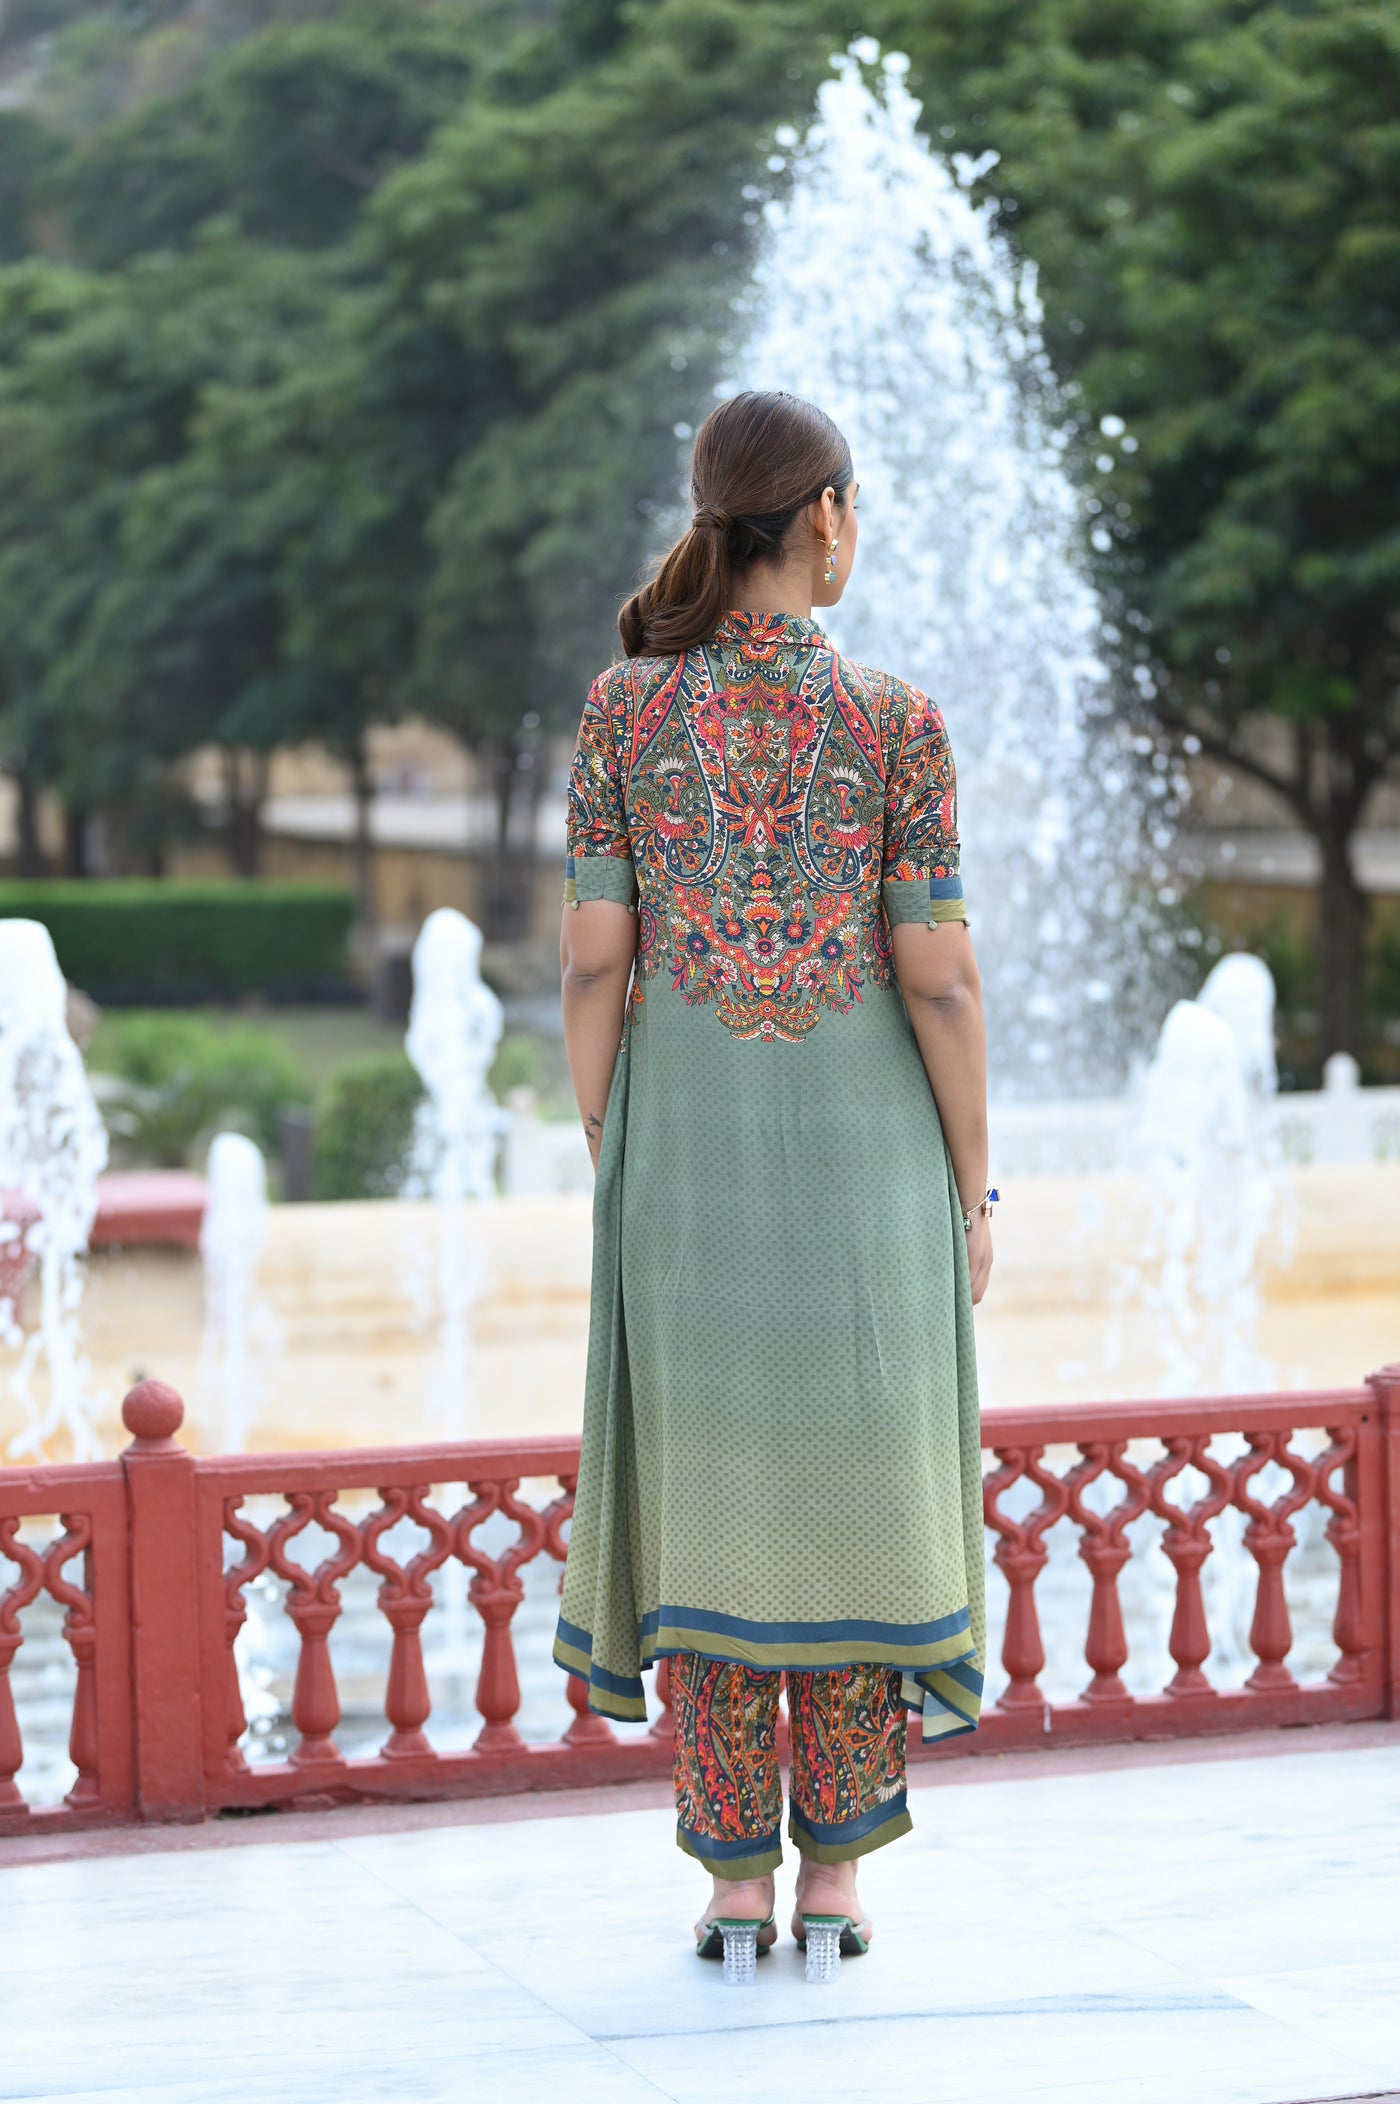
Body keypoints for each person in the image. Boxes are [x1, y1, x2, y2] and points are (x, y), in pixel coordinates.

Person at [553, 389, 992, 1981]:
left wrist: (609, 1140)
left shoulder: (622, 712)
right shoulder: (896, 721)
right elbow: (938, 978)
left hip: (686, 1172)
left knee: (717, 1504)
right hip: (870, 1181)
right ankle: (840, 1882)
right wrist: (977, 1190)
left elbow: (592, 960)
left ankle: (735, 1882)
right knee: (861, 1500)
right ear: (826, 517)